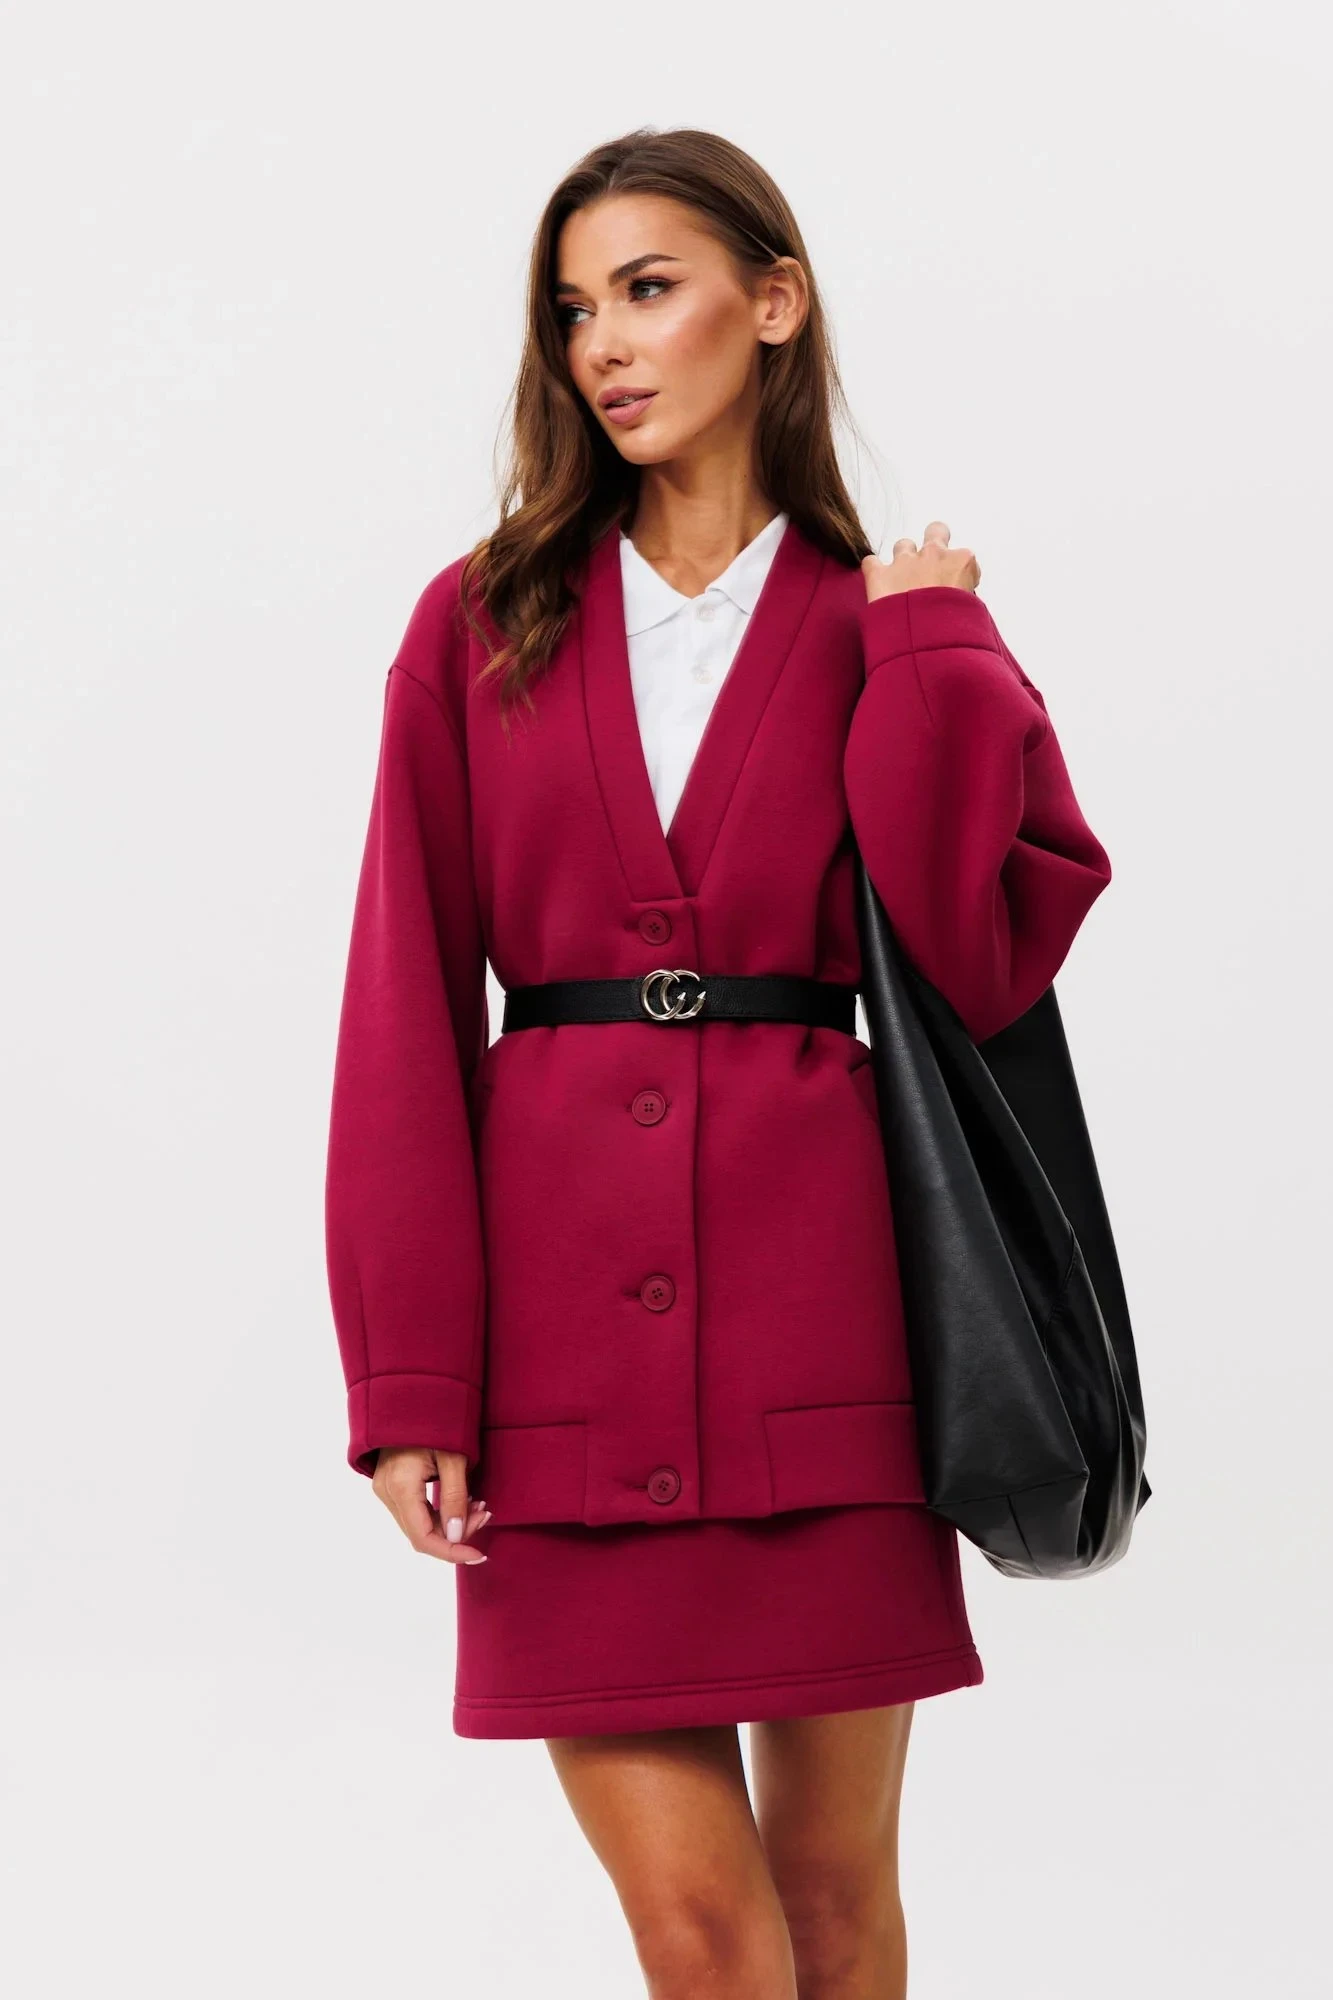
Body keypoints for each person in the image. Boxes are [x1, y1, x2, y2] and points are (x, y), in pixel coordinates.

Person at [323, 125, 1112, 2000]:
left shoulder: (879, 619)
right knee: (703, 1935)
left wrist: (937, 652)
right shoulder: (479, 620)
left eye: (648, 289)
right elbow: (400, 1004)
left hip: (826, 1349)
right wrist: (410, 1376)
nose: (602, 343)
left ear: (774, 303)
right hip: (560, 1378)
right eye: (572, 308)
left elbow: (977, 952)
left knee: (833, 1916)